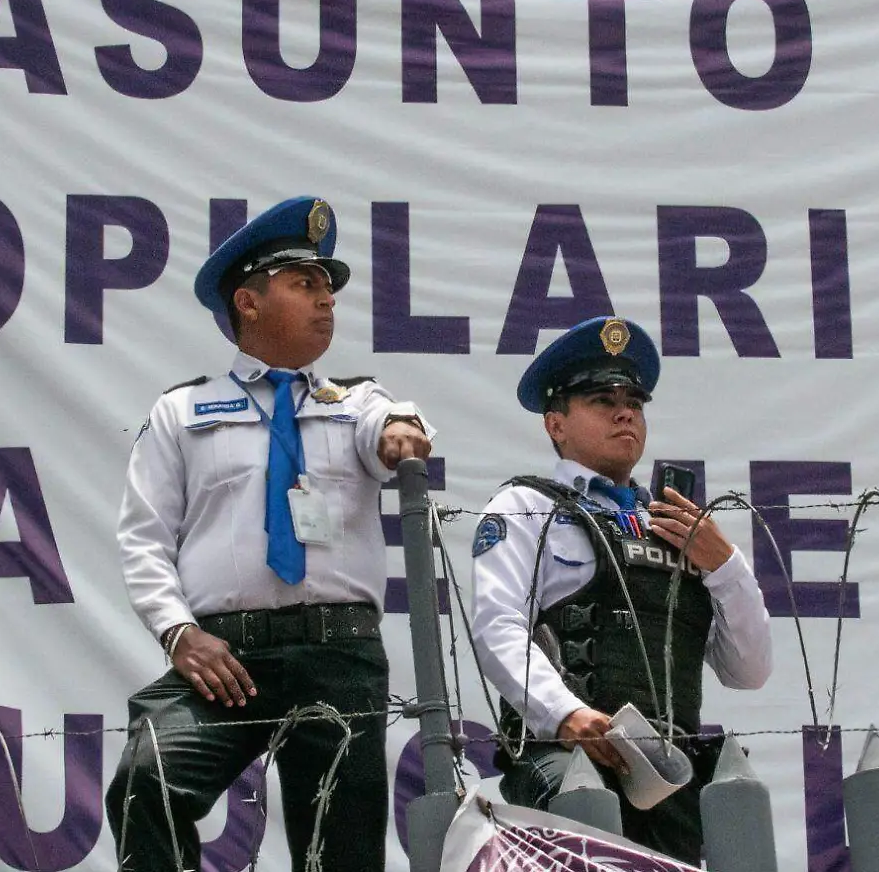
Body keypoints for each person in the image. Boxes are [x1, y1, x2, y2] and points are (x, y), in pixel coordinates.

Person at [105, 196, 433, 872]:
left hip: (338, 655)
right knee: (148, 778)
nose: (326, 301)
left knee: (341, 851)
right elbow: (144, 538)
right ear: (248, 304)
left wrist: (403, 431)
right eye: (304, 284)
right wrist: (177, 632)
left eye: (328, 288)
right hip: (227, 658)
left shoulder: (357, 402)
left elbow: (392, 429)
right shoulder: (182, 411)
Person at [470, 315, 772, 863]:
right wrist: (565, 714)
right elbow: (498, 626)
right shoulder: (525, 506)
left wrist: (725, 565)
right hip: (567, 755)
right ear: (555, 423)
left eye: (633, 397)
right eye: (599, 398)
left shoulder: (680, 524)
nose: (624, 410)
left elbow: (748, 670)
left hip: (665, 766)